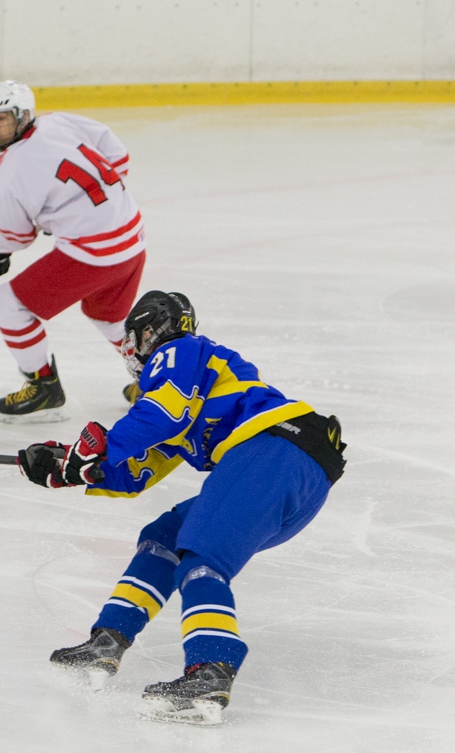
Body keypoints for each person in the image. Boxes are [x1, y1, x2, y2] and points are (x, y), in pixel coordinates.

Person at [17, 291, 344, 725]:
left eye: (136, 338)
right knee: (165, 536)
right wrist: (70, 466)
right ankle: (107, 641)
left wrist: (97, 448)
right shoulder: (187, 394)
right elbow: (137, 470)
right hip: (291, 471)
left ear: (151, 331)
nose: (132, 350)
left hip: (277, 450)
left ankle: (210, 669)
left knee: (202, 555)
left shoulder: (180, 352)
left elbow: (160, 416)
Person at [0, 81, 145, 420]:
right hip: (132, 233)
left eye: (2, 118)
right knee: (109, 315)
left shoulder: (6, 173)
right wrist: (92, 206)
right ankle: (154, 381)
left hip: (94, 253)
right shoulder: (57, 121)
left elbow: (17, 236)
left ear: (21, 117)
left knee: (8, 305)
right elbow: (116, 154)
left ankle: (43, 388)